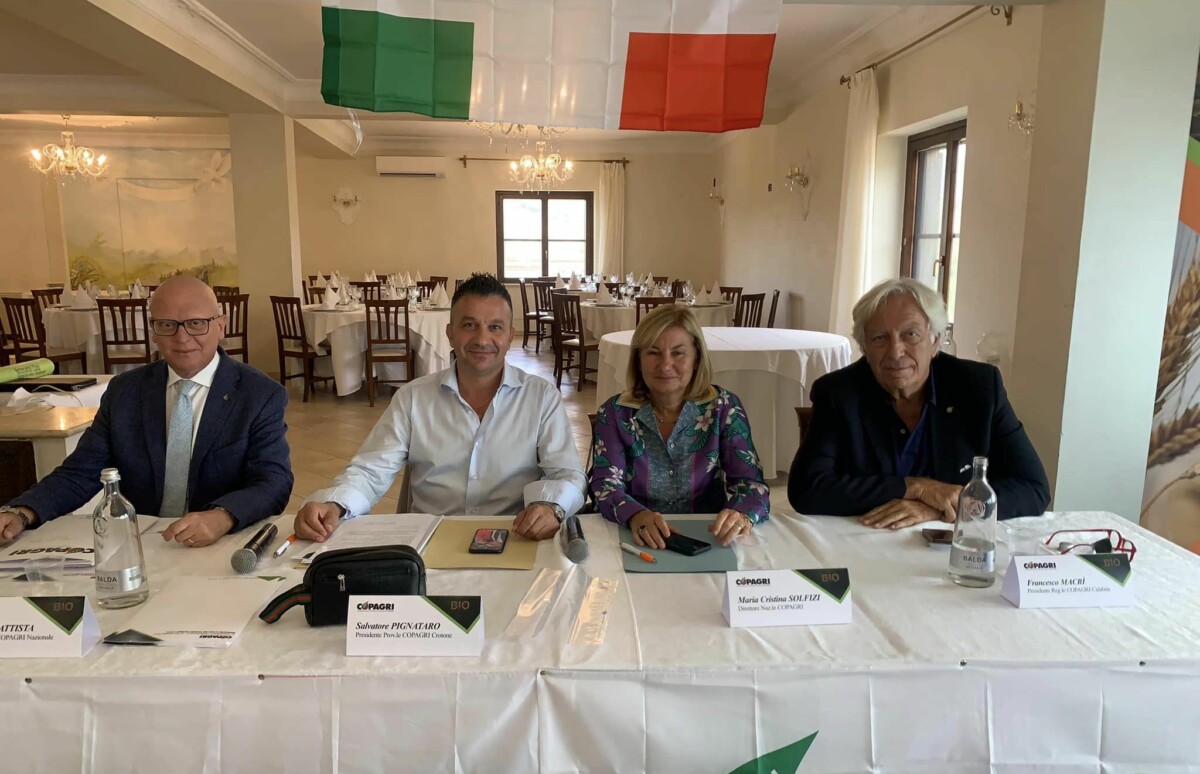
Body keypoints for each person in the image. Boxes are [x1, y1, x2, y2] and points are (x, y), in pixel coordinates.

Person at [0, 276, 293, 547]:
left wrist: (223, 516)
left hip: (223, 544)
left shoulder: (259, 394)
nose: (182, 337)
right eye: (167, 325)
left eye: (196, 323)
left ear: (221, 326)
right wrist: (22, 512)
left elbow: (273, 481)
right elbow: (81, 472)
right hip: (145, 543)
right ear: (153, 331)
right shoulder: (125, 391)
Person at [294, 273, 586, 542]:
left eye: (495, 327)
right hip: (429, 543)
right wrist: (335, 503)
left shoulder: (541, 398)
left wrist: (551, 506)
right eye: (469, 325)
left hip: (513, 540)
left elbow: (567, 474)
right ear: (450, 333)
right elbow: (370, 471)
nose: (482, 339)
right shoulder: (413, 398)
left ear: (510, 336)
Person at [788, 277, 1049, 528]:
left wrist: (939, 508)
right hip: (865, 538)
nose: (895, 351)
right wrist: (915, 488)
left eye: (910, 334)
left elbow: (1033, 488)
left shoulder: (979, 387)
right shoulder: (838, 393)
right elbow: (807, 489)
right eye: (879, 338)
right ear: (864, 346)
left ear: (935, 341)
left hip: (950, 544)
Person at [590, 305, 769, 547]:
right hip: (635, 538)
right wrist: (635, 514)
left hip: (708, 537)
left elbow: (751, 484)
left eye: (678, 353)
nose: (665, 365)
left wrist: (741, 513)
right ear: (638, 360)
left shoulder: (724, 408)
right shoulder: (614, 412)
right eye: (653, 353)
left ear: (696, 359)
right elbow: (605, 486)